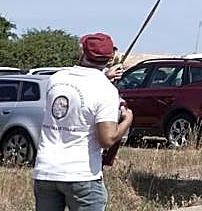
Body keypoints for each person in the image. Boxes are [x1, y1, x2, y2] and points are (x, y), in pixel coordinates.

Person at [33, 32, 134, 211]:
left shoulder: (56, 78)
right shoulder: (105, 89)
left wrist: (105, 77)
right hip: (82, 174)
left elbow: (78, 94)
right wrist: (127, 120)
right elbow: (107, 139)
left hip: (46, 171)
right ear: (110, 58)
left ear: (83, 53)